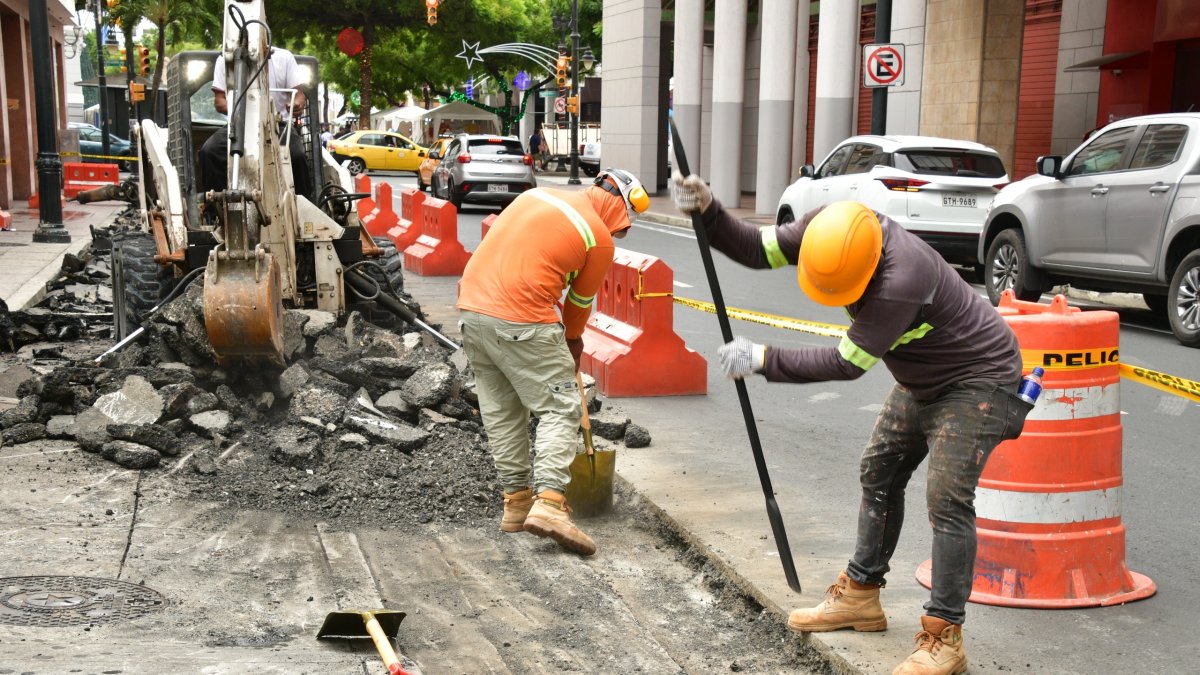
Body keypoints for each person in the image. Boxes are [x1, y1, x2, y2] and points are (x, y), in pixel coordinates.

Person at [671, 175, 1032, 675]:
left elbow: (847, 362)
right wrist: (710, 212)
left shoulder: (901, 280)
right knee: (879, 471)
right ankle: (861, 596)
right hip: (924, 378)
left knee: (947, 499)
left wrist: (763, 359)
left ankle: (944, 637)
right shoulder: (830, 228)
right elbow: (757, 249)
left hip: (979, 382)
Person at [457, 168, 650, 556]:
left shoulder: (537, 195)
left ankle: (517, 503)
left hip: (471, 311)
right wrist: (572, 343)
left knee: (502, 410)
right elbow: (579, 303)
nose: (619, 233)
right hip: (522, 318)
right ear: (619, 207)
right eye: (624, 224)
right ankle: (549, 504)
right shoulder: (598, 238)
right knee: (560, 407)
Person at [198, 46, 312, 198]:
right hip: (239, 123)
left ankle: (303, 203)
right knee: (209, 152)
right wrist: (245, 111)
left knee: (296, 155)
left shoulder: (284, 57)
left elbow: (299, 95)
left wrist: (296, 104)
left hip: (278, 124)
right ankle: (217, 205)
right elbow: (220, 101)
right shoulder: (225, 59)